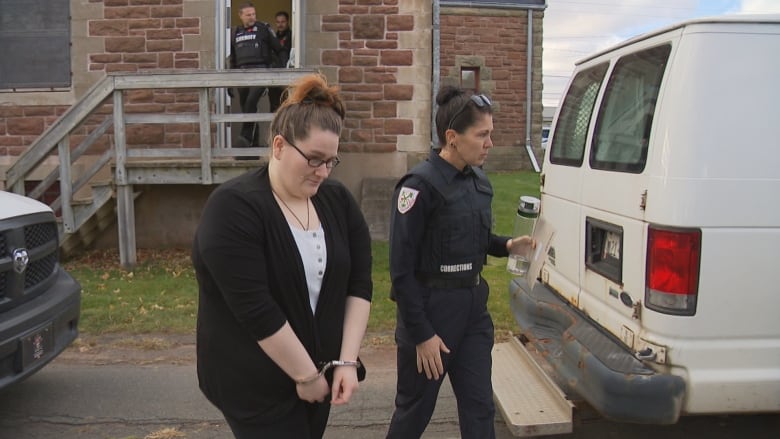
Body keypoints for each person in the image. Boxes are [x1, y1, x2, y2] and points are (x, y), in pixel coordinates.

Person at [193, 73, 373, 438]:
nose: (323, 172)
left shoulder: (337, 201)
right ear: (279, 146)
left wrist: (346, 362)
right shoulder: (233, 208)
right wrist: (305, 377)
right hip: (253, 384)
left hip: (319, 377)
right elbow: (255, 308)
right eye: (314, 159)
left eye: (331, 162)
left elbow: (360, 283)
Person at [386, 86, 535, 439]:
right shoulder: (418, 186)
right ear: (452, 137)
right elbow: (401, 271)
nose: (490, 143)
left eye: (491, 134)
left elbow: (477, 241)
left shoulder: (479, 182)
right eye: (482, 135)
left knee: (480, 409)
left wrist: (509, 245)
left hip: (472, 313)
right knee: (414, 413)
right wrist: (422, 335)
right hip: (430, 314)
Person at [229, 2, 283, 147]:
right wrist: (229, 83)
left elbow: (279, 48)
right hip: (241, 75)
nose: (252, 17)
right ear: (240, 16)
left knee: (251, 103)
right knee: (247, 107)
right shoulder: (235, 32)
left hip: (260, 72)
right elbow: (232, 59)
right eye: (248, 15)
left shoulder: (263, 28)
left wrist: (278, 73)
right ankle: (252, 144)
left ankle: (244, 136)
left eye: (254, 14)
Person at [268, 10, 293, 113]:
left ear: (288, 22)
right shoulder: (273, 38)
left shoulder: (293, 37)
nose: (280, 24)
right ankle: (274, 128)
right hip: (274, 75)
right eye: (278, 22)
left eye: (283, 22)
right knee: (274, 106)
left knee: (286, 106)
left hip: (287, 75)